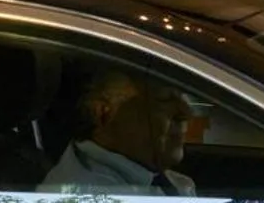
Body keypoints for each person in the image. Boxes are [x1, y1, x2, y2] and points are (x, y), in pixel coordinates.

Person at [39, 69, 199, 195]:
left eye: (183, 97)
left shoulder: (155, 177)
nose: (186, 113)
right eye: (165, 99)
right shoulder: (89, 202)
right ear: (103, 113)